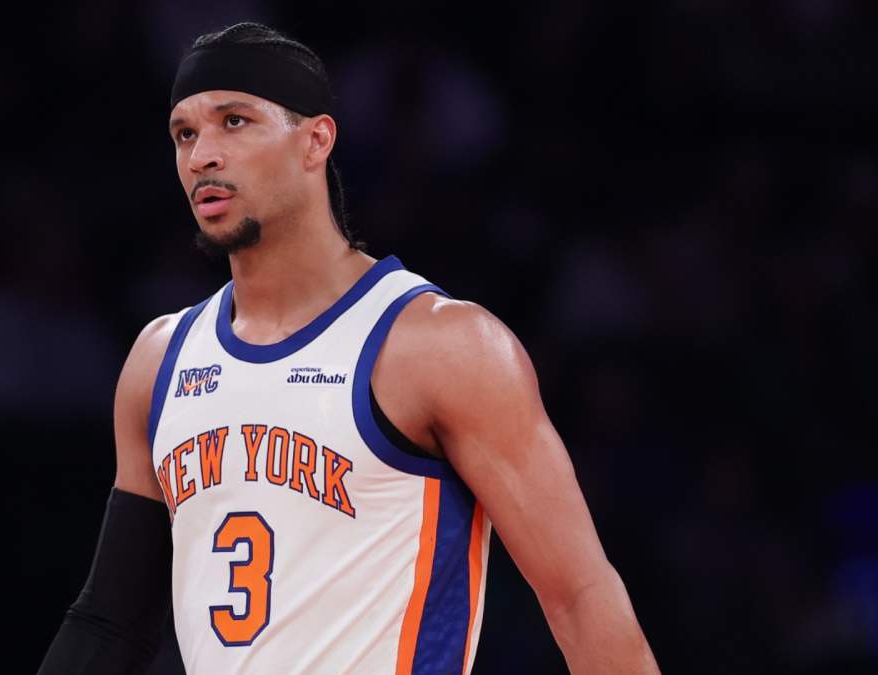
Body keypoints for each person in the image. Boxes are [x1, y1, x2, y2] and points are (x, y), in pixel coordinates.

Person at [38, 22, 660, 675]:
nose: (202, 157)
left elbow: (580, 598)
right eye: (185, 134)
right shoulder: (161, 359)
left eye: (234, 122)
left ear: (316, 140)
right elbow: (109, 623)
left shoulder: (438, 345)